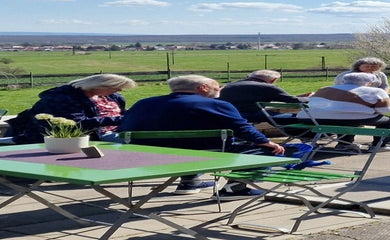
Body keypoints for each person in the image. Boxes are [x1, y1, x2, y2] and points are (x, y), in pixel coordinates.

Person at [117, 75, 285, 196]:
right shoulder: (217, 104)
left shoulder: (142, 104)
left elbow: (124, 128)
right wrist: (267, 142)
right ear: (203, 88)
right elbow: (243, 129)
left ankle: (189, 182)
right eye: (217, 88)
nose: (219, 92)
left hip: (150, 157)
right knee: (267, 151)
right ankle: (235, 188)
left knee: (186, 146)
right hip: (206, 155)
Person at [6, 74, 137, 144]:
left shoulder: (113, 97)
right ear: (100, 86)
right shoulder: (63, 98)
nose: (120, 90)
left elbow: (123, 113)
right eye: (117, 87)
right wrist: (119, 120)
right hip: (85, 137)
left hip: (118, 131)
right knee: (138, 141)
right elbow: (77, 123)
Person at [307, 72, 390, 151]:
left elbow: (312, 103)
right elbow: (386, 110)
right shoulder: (376, 91)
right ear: (370, 83)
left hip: (315, 118)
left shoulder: (324, 89)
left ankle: (344, 144)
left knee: (344, 118)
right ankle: (379, 145)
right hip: (351, 119)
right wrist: (371, 109)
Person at [335, 57, 390, 125]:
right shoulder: (349, 75)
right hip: (358, 97)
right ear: (358, 66)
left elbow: (385, 86)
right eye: (367, 66)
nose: (370, 68)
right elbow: (342, 88)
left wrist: (384, 94)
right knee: (389, 105)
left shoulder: (380, 75)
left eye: (373, 66)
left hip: (378, 95)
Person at [218, 70, 310, 123]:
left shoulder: (228, 85)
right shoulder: (268, 87)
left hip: (226, 115)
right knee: (298, 117)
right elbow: (293, 101)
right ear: (273, 80)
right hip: (251, 114)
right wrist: (312, 98)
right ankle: (307, 138)